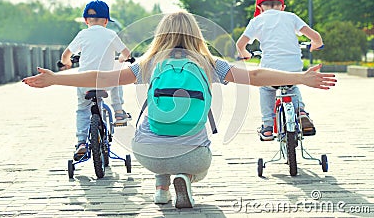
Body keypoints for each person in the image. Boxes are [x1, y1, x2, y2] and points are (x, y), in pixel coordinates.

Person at [22, 11, 336, 208]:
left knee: (155, 139)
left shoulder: (148, 62)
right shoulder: (209, 63)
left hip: (147, 152)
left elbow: (100, 77)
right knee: (195, 148)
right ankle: (185, 176)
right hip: (193, 153)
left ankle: (161, 183)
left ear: (161, 35)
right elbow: (255, 76)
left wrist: (55, 79)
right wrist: (301, 78)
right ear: (196, 34)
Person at [236, 0, 324, 141]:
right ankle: (301, 112)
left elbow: (240, 44)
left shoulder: (257, 21)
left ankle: (268, 126)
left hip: (270, 70)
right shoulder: (291, 17)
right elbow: (315, 36)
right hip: (293, 67)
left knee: (266, 88)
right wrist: (316, 44)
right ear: (282, 7)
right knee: (293, 83)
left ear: (259, 8)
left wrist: (245, 54)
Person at [59, 0, 131, 160]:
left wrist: (66, 62)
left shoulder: (82, 34)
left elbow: (66, 55)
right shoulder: (111, 34)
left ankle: (81, 142)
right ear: (106, 21)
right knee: (117, 78)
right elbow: (126, 53)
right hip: (106, 81)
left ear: (86, 20)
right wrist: (122, 59)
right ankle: (119, 112)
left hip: (84, 81)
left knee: (82, 109)